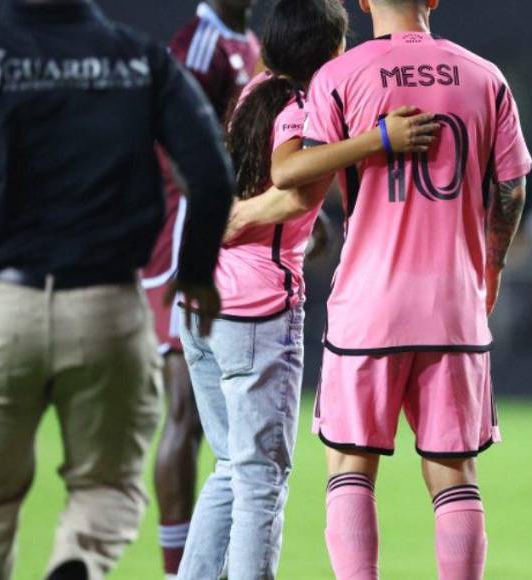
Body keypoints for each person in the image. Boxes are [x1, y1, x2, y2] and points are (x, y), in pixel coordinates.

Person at [0, 1, 235, 578]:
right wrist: (197, 273)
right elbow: (211, 172)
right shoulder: (141, 62)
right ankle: (77, 559)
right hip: (106, 307)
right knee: (106, 487)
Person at [174, 1, 437, 577]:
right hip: (253, 309)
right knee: (262, 479)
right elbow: (292, 181)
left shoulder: (255, 89)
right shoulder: (305, 104)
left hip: (198, 301)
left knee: (230, 468)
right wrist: (380, 140)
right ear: (334, 51)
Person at [273, 1, 532, 577]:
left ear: (363, 1)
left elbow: (300, 174)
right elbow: (510, 187)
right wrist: (491, 268)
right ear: (433, 0)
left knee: (350, 466)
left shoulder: (338, 77)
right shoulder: (485, 76)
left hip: (370, 303)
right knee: (454, 472)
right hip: (454, 306)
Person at [143, 3, 260, 577]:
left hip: (222, 233)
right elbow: (181, 153)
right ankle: (177, 567)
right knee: (187, 411)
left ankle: (202, 563)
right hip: (182, 239)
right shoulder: (197, 46)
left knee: (219, 428)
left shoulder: (247, 42)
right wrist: (233, 212)